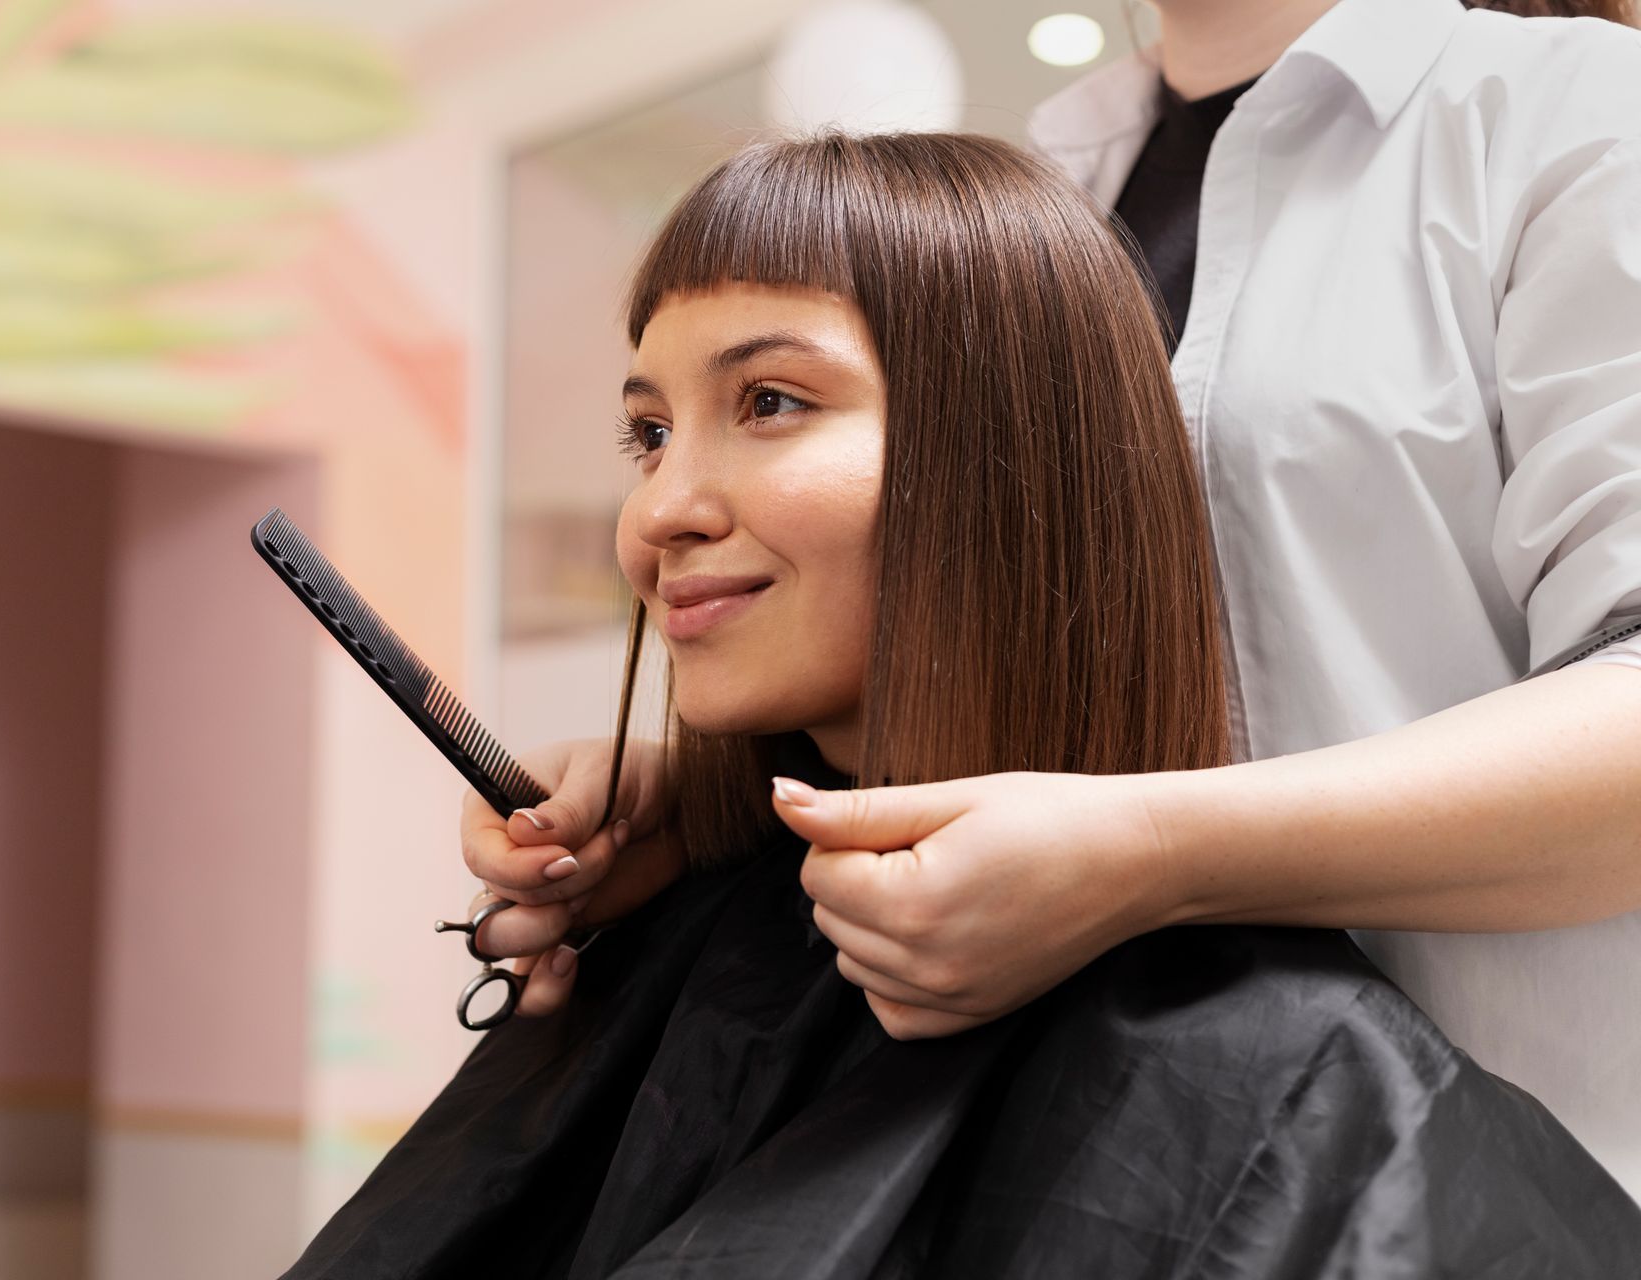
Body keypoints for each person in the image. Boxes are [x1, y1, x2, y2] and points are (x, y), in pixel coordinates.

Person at [282, 132, 1641, 1280]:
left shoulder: (1293, 1085)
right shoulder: (665, 926)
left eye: (767, 401)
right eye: (646, 432)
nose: (659, 512)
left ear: (1007, 459)